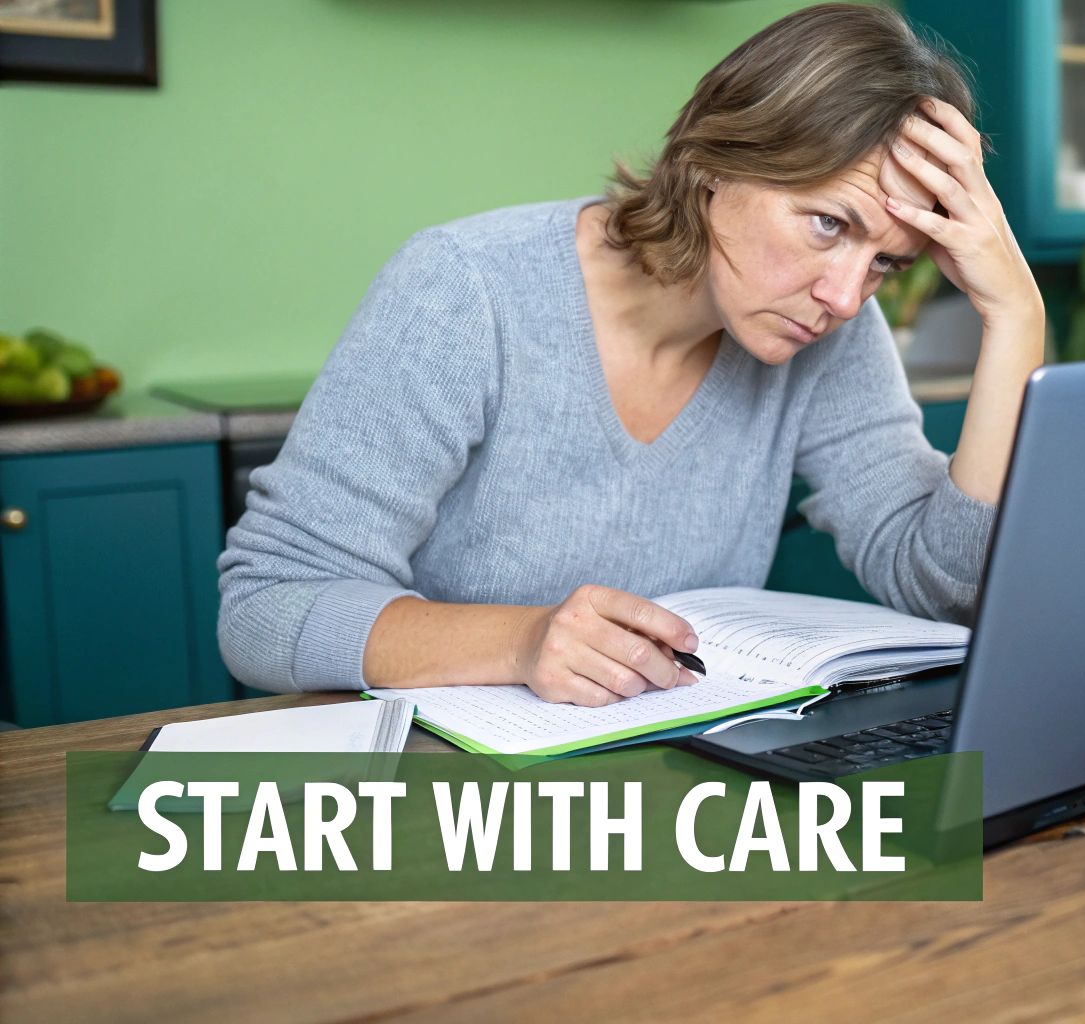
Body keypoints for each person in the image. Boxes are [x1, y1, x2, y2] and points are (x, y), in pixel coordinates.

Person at [217, 4, 1043, 708]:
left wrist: (1014, 317)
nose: (844, 295)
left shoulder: (829, 334)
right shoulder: (469, 291)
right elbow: (265, 608)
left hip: (677, 786)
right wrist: (523, 641)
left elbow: (944, 585)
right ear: (718, 162)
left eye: (886, 263)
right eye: (829, 224)